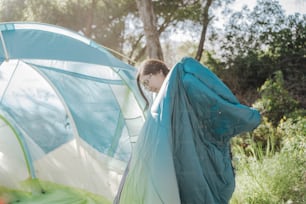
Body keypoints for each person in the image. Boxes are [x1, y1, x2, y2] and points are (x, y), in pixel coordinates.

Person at [115, 57, 261, 204]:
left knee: (204, 190)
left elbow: (213, 104)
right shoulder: (161, 99)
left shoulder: (186, 81)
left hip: (201, 148)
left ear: (159, 72)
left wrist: (245, 116)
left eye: (147, 82)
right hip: (181, 156)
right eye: (144, 86)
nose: (147, 88)